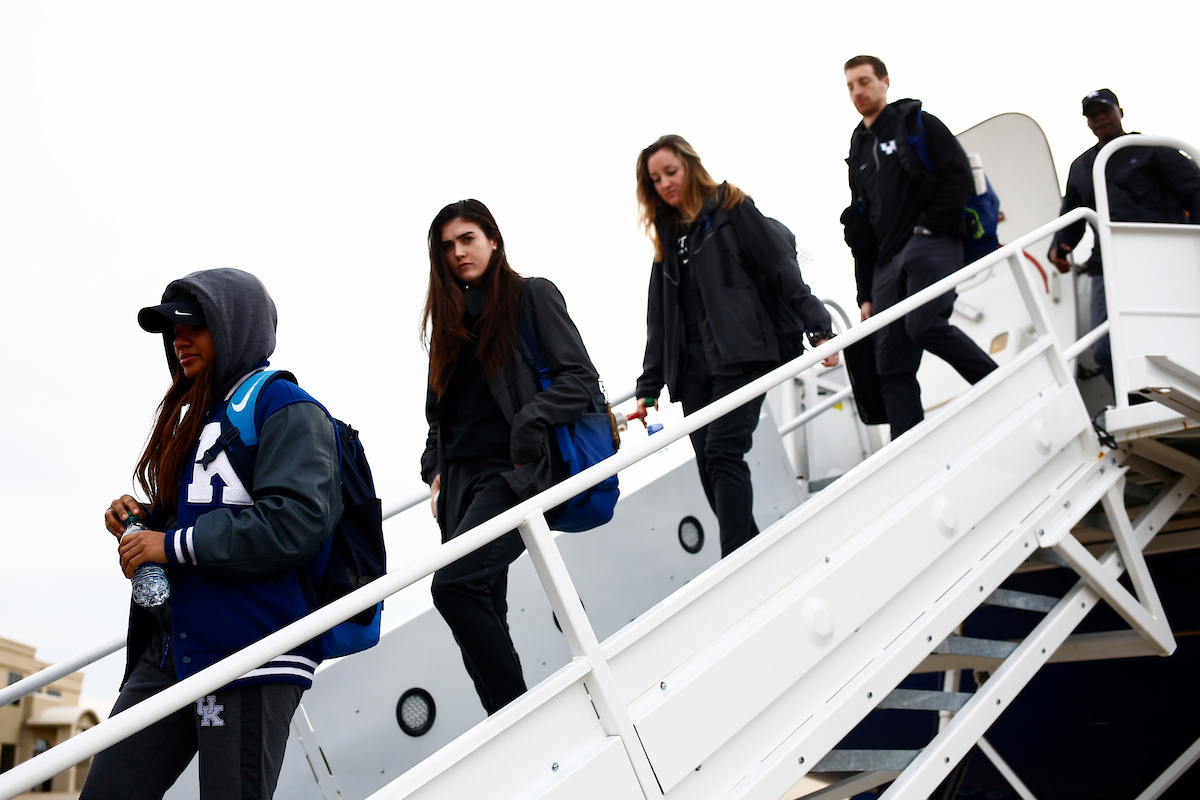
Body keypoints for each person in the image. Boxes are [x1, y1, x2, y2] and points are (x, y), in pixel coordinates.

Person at [82, 268, 343, 800]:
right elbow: (201, 518)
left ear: (235, 327)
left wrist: (169, 544)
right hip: (175, 648)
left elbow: (296, 524)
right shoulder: (198, 416)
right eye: (171, 331)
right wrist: (143, 521)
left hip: (251, 649)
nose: (178, 341)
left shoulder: (286, 406)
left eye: (193, 327)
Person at [420, 199, 600, 715]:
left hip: (514, 473)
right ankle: (507, 723)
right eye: (447, 246)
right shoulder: (447, 326)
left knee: (454, 587)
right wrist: (434, 470)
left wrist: (529, 423)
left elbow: (580, 379)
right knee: (483, 605)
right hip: (460, 485)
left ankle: (517, 717)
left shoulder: (530, 296)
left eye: (468, 239)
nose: (458, 253)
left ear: (493, 240)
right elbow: (436, 415)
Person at [634, 134, 838, 559]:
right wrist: (648, 386)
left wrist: (819, 326)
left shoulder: (730, 207)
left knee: (725, 451)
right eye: (655, 179)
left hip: (742, 352)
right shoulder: (667, 239)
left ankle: (736, 563)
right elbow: (660, 318)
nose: (665, 184)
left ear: (689, 166)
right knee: (710, 465)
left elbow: (779, 267)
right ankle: (756, 555)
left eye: (671, 172)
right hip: (693, 370)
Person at [842, 55, 998, 439]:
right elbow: (861, 226)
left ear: (885, 82)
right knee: (890, 362)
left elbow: (957, 175)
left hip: (931, 241)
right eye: (850, 86)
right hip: (884, 263)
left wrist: (929, 228)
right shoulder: (859, 148)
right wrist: (865, 294)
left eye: (864, 82)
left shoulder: (917, 123)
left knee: (925, 324)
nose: (857, 92)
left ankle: (1001, 384)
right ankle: (909, 448)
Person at [1048, 88, 1200, 387]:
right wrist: (1060, 247)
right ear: (1087, 123)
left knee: (1167, 334)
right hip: (1108, 266)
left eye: (1104, 111)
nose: (1099, 119)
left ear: (1120, 111)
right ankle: (1133, 403)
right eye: (1092, 115)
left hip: (1161, 258)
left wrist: (1191, 243)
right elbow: (1073, 215)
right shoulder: (1081, 167)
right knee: (1105, 349)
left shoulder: (1153, 149)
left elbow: (1194, 192)